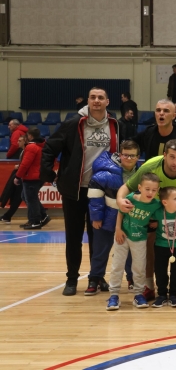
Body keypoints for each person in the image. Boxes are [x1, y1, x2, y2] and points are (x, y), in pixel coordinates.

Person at [41, 88, 121, 296]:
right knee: (74, 237)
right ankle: (71, 279)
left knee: (99, 237)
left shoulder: (115, 125)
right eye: (93, 97)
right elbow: (49, 148)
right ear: (88, 101)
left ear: (107, 102)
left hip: (102, 191)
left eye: (100, 98)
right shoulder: (73, 123)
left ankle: (96, 277)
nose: (96, 100)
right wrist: (49, 174)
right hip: (75, 190)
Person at [116, 139, 176, 300]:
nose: (175, 162)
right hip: (155, 208)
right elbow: (127, 187)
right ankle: (149, 284)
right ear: (164, 155)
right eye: (172, 157)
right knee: (150, 240)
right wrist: (120, 200)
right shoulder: (149, 166)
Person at [85, 141, 141, 296]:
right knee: (100, 250)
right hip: (106, 218)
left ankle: (132, 279)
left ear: (138, 157)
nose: (128, 158)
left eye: (132, 156)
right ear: (119, 154)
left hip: (131, 220)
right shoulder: (105, 173)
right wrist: (96, 217)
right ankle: (94, 279)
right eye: (125, 155)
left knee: (131, 251)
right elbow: (95, 196)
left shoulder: (141, 174)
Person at [106, 173, 161, 311]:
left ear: (158, 190)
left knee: (139, 267)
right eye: (147, 189)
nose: (150, 192)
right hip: (122, 236)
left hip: (140, 238)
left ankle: (138, 294)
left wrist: (156, 222)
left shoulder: (156, 205)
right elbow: (120, 212)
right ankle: (113, 295)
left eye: (154, 190)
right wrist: (118, 229)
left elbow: (161, 216)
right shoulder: (130, 198)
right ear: (139, 188)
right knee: (117, 265)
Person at [150, 186, 176, 308]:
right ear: (165, 202)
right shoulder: (157, 212)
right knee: (160, 271)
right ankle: (161, 294)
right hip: (160, 246)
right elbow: (149, 220)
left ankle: (173, 295)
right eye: (175, 199)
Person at [15, 127, 48, 230]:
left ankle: (35, 221)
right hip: (39, 175)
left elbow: (25, 164)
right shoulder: (42, 145)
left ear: (30, 136)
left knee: (31, 199)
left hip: (31, 177)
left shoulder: (31, 147)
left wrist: (17, 176)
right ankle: (40, 217)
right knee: (27, 197)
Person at [1, 134, 27, 224]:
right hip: (22, 177)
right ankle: (7, 216)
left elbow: (26, 164)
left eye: (20, 141)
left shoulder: (26, 151)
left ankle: (42, 214)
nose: (17, 142)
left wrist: (19, 167)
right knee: (19, 197)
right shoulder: (22, 151)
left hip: (24, 177)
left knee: (22, 197)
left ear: (25, 141)